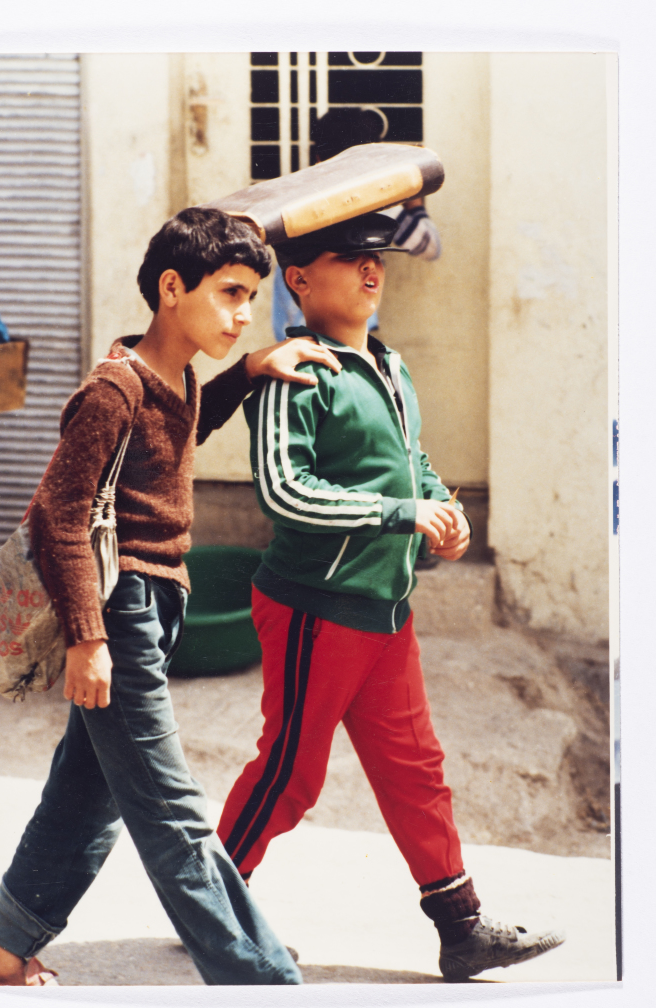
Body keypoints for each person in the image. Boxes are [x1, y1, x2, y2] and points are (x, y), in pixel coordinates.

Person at [0, 207, 343, 987]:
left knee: (89, 793)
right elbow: (60, 518)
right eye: (230, 294)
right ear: (173, 288)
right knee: (171, 810)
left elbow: (178, 435)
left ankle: (4, 942)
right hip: (120, 611)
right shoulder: (111, 392)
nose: (243, 314)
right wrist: (88, 638)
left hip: (155, 606)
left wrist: (249, 372)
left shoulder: (176, 377)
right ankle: (260, 979)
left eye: (250, 296)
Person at [217, 211, 565, 983]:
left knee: (416, 768)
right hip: (315, 606)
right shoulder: (294, 374)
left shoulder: (389, 365)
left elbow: (412, 461)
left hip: (385, 607)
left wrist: (442, 509)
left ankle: (462, 928)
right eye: (349, 259)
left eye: (377, 258)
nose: (372, 271)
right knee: (290, 772)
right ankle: (208, 907)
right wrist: (399, 512)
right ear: (300, 280)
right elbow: (285, 493)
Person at [271, 107, 442, 341]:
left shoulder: (296, 201)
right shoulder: (375, 204)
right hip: (344, 336)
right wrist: (415, 205)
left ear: (318, 158)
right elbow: (430, 246)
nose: (369, 263)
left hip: (294, 330)